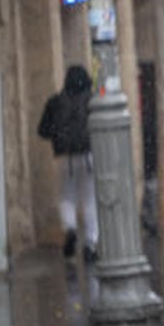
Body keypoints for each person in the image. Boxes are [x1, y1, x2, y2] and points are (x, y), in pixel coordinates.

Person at [37, 65, 99, 262]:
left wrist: (58, 135)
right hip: (90, 155)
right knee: (90, 199)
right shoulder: (93, 101)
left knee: (67, 197)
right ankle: (90, 243)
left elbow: (42, 130)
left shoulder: (55, 102)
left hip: (65, 156)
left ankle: (70, 228)